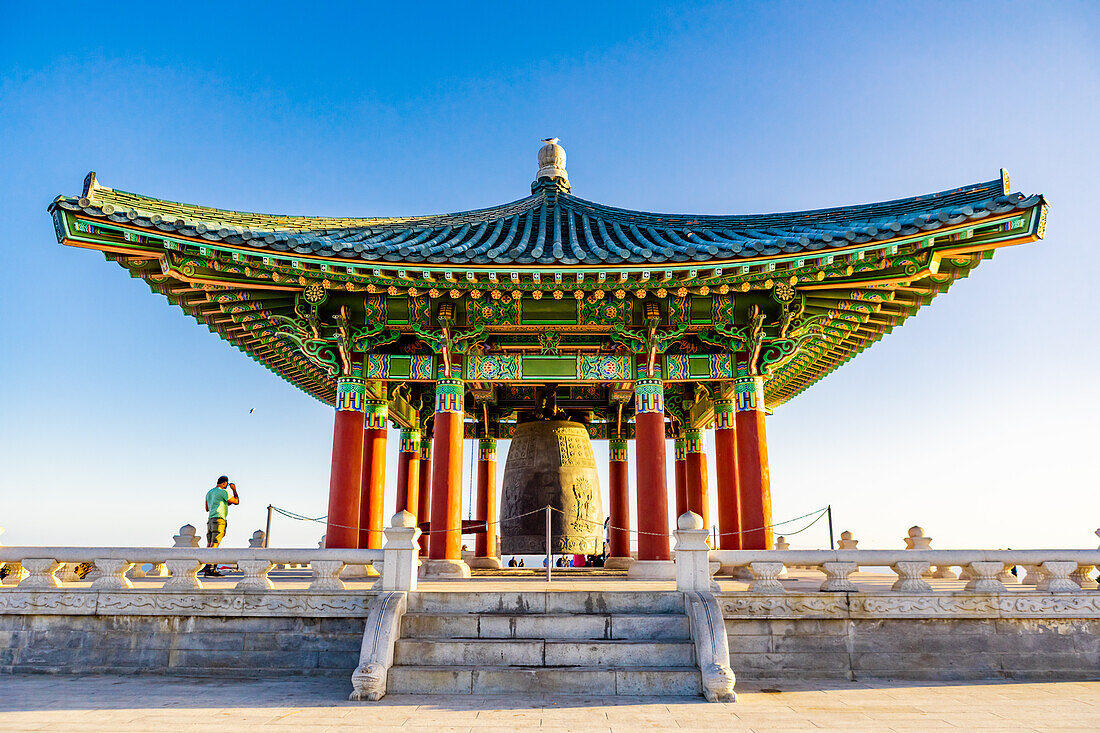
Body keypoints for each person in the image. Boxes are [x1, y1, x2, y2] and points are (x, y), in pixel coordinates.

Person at [203, 476, 239, 577]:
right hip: (219, 519)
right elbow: (236, 501)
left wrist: (223, 503)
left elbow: (207, 508)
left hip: (210, 519)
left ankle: (207, 568)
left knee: (209, 544)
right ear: (224, 483)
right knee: (215, 544)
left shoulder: (209, 492)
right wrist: (234, 489)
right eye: (227, 485)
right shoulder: (223, 492)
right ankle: (211, 570)